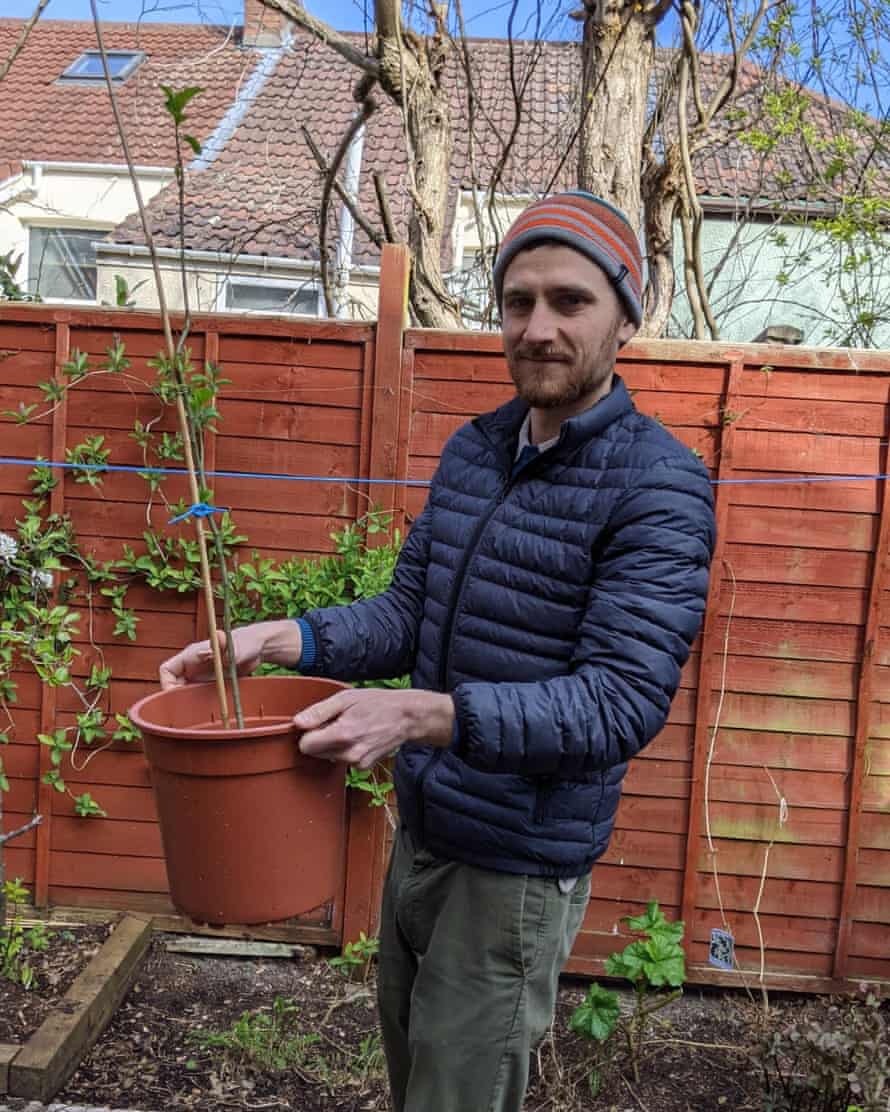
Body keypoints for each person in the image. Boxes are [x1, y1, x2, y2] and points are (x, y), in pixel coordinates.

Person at [160, 191, 717, 1112]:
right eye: (517, 301)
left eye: (569, 301)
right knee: (415, 1085)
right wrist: (280, 637)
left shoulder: (659, 487)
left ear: (628, 313)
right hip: (424, 837)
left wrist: (424, 715)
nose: (536, 328)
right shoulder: (477, 451)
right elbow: (410, 611)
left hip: (514, 874)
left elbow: (619, 704)